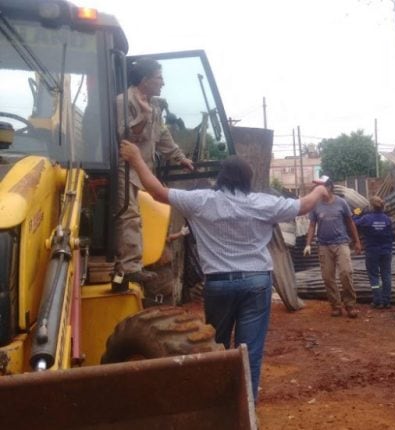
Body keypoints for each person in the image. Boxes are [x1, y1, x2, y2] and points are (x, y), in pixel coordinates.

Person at [119, 140, 329, 403]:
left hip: (218, 285)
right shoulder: (263, 203)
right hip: (256, 283)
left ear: (221, 177)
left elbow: (156, 191)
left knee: (215, 346)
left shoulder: (200, 201)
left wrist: (137, 158)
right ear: (247, 179)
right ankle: (244, 410)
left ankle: (216, 404)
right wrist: (320, 192)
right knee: (248, 352)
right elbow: (304, 205)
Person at [115, 58, 194, 285]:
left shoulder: (155, 105)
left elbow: (162, 136)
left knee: (138, 217)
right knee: (128, 215)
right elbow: (128, 136)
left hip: (142, 170)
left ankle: (136, 262)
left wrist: (179, 157)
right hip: (125, 168)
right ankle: (129, 267)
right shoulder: (124, 102)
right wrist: (144, 113)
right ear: (145, 80)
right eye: (159, 78)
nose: (163, 83)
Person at [303, 177, 363, 318]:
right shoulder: (316, 205)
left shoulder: (341, 203)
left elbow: (350, 222)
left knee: (346, 272)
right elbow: (312, 225)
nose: (316, 190)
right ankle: (336, 306)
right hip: (324, 245)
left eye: (320, 186)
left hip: (341, 243)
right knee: (328, 277)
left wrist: (357, 241)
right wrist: (307, 244)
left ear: (329, 187)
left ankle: (350, 305)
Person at [354, 196, 395, 309]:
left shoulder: (366, 218)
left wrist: (357, 211)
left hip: (372, 251)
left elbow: (353, 222)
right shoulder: (387, 219)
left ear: (371, 207)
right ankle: (386, 301)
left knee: (374, 276)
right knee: (386, 275)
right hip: (386, 251)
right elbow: (393, 235)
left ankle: (377, 300)